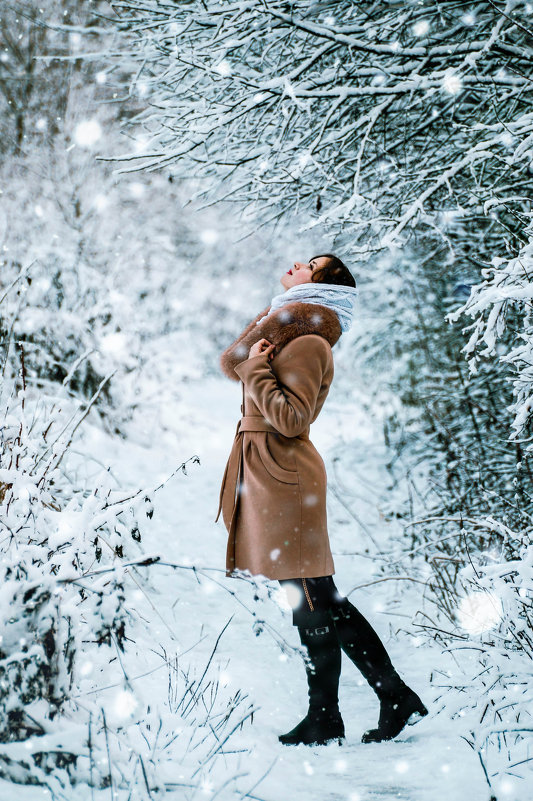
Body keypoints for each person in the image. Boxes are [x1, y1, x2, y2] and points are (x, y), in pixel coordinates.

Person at [215, 253, 428, 746]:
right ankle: (390, 697)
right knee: (319, 597)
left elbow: (292, 420)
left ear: (325, 285)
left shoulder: (309, 342)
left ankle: (328, 716)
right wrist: (255, 365)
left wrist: (255, 370)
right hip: (270, 473)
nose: (296, 263)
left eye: (310, 264)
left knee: (310, 598)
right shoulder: (287, 334)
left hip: (285, 476)